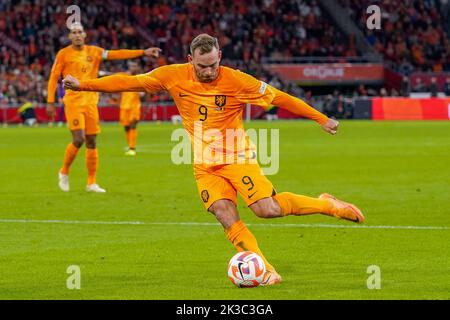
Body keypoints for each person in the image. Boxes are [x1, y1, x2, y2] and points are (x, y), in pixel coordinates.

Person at [62, 34, 365, 285]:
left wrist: (320, 119)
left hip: (237, 156)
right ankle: (265, 269)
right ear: (190, 60)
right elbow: (128, 82)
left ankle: (326, 204)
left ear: (220, 55)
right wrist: (84, 85)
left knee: (266, 209)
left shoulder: (237, 81)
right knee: (223, 213)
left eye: (213, 64)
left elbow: (280, 97)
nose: (209, 71)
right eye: (202, 66)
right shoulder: (172, 76)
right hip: (204, 164)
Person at [46, 22, 161, 192]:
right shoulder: (63, 54)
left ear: (85, 34)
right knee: (79, 139)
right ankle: (64, 172)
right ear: (70, 36)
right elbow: (53, 77)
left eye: (80, 32)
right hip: (73, 101)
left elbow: (117, 54)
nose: (77, 35)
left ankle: (91, 182)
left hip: (91, 102)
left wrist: (143, 52)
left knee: (92, 141)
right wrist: (50, 101)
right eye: (74, 32)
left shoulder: (95, 51)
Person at [117, 61, 144, 156]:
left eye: (135, 66)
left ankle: (132, 148)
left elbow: (147, 91)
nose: (133, 67)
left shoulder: (141, 78)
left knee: (133, 125)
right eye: (132, 66)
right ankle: (129, 146)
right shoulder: (124, 76)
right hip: (124, 106)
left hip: (134, 106)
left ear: (138, 67)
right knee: (126, 127)